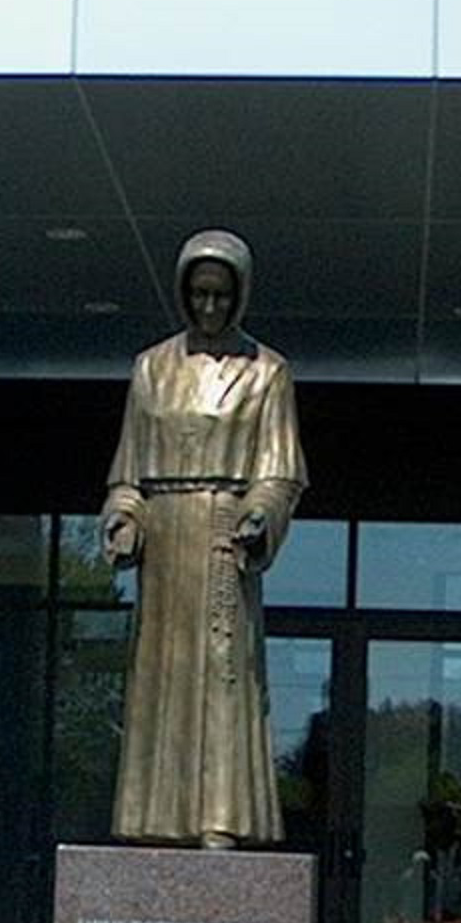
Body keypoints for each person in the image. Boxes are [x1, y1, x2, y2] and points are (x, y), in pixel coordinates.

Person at [101, 229, 309, 848]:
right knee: (161, 674)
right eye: (199, 295)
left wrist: (259, 513)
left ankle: (222, 818)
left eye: (221, 296)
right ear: (183, 294)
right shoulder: (151, 368)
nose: (210, 307)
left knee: (223, 674)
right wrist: (125, 518)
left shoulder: (267, 371)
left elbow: (280, 472)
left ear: (239, 295)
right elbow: (128, 476)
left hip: (223, 538)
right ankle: (152, 818)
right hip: (166, 545)